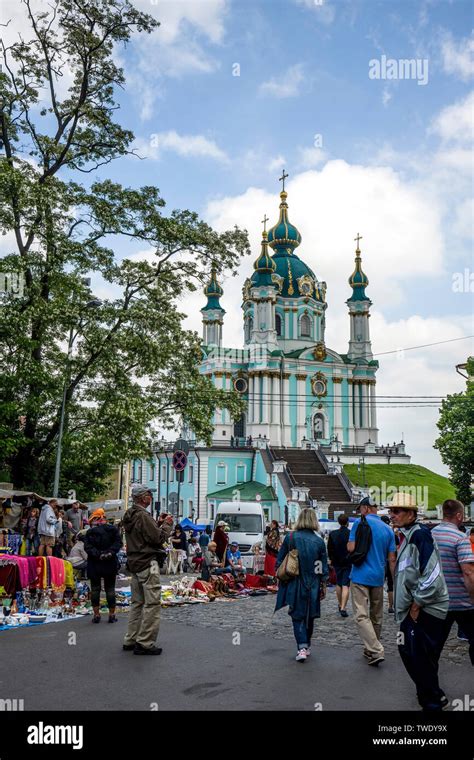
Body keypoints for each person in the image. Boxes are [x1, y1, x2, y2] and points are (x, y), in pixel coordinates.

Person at [390, 492, 449, 711]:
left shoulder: (419, 535)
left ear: (411, 514)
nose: (392, 515)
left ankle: (431, 702)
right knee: (412, 653)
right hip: (415, 608)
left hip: (425, 608)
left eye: (397, 511)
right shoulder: (408, 535)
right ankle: (433, 695)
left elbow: (432, 574)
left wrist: (416, 605)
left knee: (418, 657)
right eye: (391, 511)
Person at [122, 485, 173, 655]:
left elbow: (142, 533)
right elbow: (158, 539)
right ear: (143, 498)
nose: (151, 498)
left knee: (137, 603)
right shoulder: (144, 516)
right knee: (152, 603)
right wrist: (166, 525)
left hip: (134, 562)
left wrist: (156, 524)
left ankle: (131, 638)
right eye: (149, 495)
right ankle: (145, 642)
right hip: (147, 562)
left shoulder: (129, 514)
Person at [275, 507, 328, 663]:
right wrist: (323, 584)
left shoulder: (290, 537)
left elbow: (279, 561)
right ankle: (307, 645)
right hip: (313, 582)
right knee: (310, 615)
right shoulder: (319, 541)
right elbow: (322, 566)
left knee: (297, 615)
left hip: (294, 581)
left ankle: (302, 647)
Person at [348, 496, 396, 666]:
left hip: (360, 575)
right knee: (376, 615)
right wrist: (394, 579)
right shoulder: (388, 529)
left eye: (360, 508)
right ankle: (370, 650)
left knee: (361, 614)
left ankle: (376, 649)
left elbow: (351, 548)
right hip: (378, 576)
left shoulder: (358, 524)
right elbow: (392, 559)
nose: (360, 511)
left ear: (366, 508)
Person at [432, 499, 474, 665]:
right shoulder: (460, 537)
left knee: (435, 645)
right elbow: (468, 571)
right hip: (462, 601)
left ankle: (430, 687)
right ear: (458, 515)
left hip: (437, 600)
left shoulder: (430, 534)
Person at [84, 508, 122, 624]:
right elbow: (118, 544)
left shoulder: (90, 532)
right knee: (110, 589)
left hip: (95, 563)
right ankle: (111, 614)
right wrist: (109, 553)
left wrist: (98, 554)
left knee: (95, 589)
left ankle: (96, 615)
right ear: (104, 518)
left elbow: (88, 548)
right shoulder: (113, 530)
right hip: (109, 562)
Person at [327, 513, 351, 617]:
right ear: (347, 522)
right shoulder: (351, 533)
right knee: (346, 585)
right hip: (348, 561)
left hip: (336, 561)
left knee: (338, 583)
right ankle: (343, 607)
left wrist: (331, 559)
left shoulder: (333, 534)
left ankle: (340, 603)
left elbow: (329, 549)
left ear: (338, 522)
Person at [380, 514, 397, 613]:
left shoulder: (379, 535)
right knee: (391, 586)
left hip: (381, 561)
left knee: (379, 585)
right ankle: (390, 606)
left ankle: (379, 605)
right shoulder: (393, 535)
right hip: (391, 560)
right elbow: (397, 549)